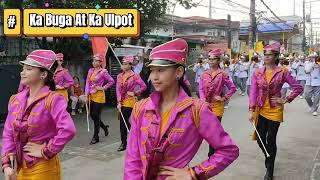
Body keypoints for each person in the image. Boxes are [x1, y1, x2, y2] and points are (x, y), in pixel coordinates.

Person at [124, 38, 239, 180]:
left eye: (160, 70)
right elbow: (133, 159)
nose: (154, 77)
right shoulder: (140, 108)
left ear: (178, 72)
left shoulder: (197, 110)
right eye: (152, 70)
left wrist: (194, 173)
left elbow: (228, 150)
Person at [2, 50, 76, 180]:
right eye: (23, 68)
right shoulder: (15, 100)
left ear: (43, 74)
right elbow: (8, 133)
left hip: (42, 166)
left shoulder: (53, 99)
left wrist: (46, 150)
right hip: (18, 167)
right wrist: (7, 165)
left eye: (28, 69)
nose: (22, 72)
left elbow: (68, 129)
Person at [249, 42, 303, 180]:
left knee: (271, 139)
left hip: (275, 110)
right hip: (260, 109)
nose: (266, 57)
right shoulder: (258, 72)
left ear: (276, 56)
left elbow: (298, 87)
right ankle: (269, 159)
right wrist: (251, 109)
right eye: (265, 54)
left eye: (269, 55)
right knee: (260, 140)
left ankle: (270, 170)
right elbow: (253, 91)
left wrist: (285, 99)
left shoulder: (283, 71)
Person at [199, 49, 237, 157]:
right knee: (207, 130)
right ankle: (215, 148)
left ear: (218, 60)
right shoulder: (204, 74)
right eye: (209, 59)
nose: (211, 61)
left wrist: (224, 98)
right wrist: (202, 101)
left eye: (213, 59)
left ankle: (212, 153)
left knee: (214, 130)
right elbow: (201, 89)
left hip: (217, 107)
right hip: (206, 106)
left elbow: (232, 88)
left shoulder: (222, 74)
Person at [116, 55, 147, 152]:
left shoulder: (135, 76)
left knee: (123, 121)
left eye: (125, 64)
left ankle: (124, 143)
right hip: (122, 100)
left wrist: (135, 93)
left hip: (130, 101)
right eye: (123, 63)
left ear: (130, 65)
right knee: (123, 122)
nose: (123, 65)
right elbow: (118, 89)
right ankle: (132, 134)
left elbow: (144, 86)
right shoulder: (119, 76)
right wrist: (118, 102)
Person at [85, 54, 115, 145]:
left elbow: (111, 81)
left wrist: (103, 88)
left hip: (99, 96)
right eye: (93, 60)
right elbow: (87, 82)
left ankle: (96, 136)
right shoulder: (90, 70)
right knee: (93, 115)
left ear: (100, 62)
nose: (94, 62)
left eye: (96, 61)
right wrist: (86, 94)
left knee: (95, 114)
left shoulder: (103, 72)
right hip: (91, 95)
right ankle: (104, 128)